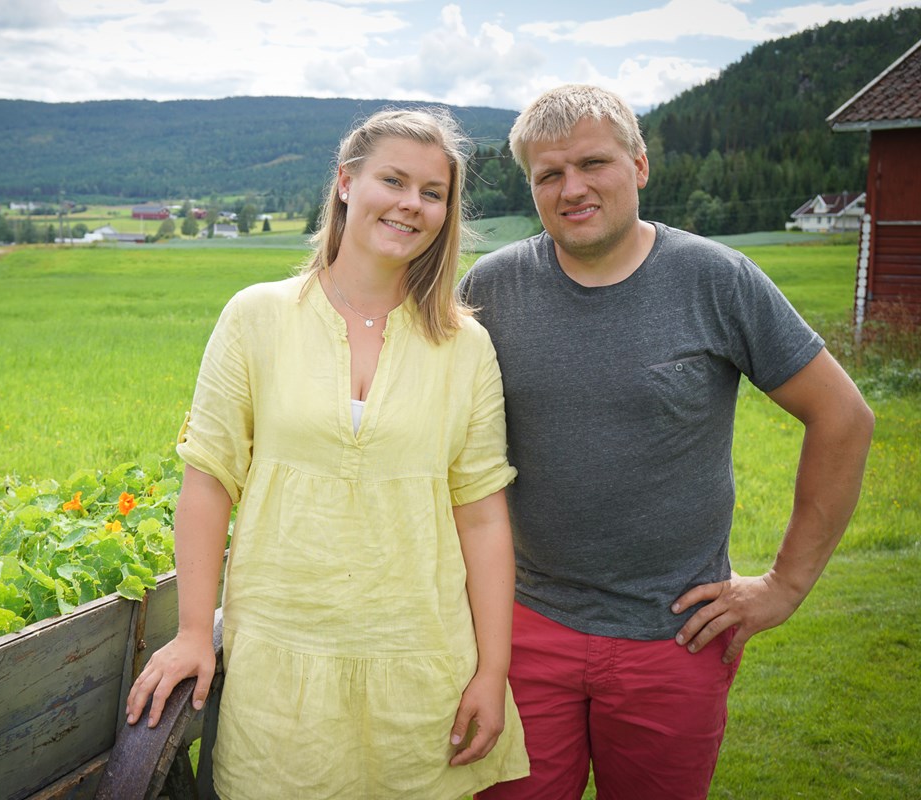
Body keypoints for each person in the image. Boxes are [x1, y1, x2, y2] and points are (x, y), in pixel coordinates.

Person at [459, 84, 874, 800]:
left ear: (640, 165)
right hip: (522, 624)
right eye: (549, 175)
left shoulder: (717, 280)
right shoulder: (493, 288)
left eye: (594, 163)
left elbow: (844, 418)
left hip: (675, 634)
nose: (573, 188)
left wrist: (785, 586)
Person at [125, 108, 530, 799]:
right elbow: (208, 483)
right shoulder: (256, 317)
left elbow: (483, 518)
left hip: (423, 668)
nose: (412, 204)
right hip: (280, 669)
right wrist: (195, 631)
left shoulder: (465, 346)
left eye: (432, 193)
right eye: (393, 180)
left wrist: (492, 672)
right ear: (346, 183)